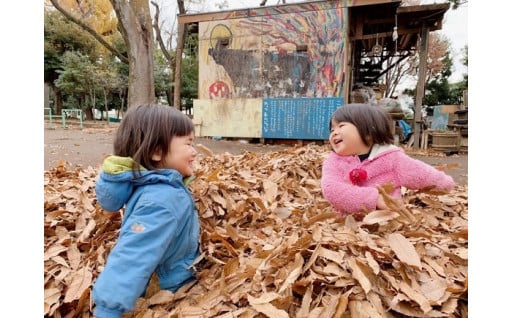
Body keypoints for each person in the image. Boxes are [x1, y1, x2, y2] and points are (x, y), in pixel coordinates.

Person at [92, 104, 200, 318]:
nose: (195, 151)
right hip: (171, 288)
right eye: (188, 143)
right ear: (157, 152)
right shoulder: (161, 200)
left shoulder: (160, 188)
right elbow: (131, 257)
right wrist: (108, 311)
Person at [321, 103, 454, 216]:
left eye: (341, 126)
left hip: (387, 223)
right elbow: (332, 189)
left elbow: (421, 174)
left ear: (369, 132)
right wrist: (375, 200)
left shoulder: (392, 159)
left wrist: (445, 184)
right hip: (346, 228)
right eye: (332, 129)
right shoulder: (334, 162)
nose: (334, 132)